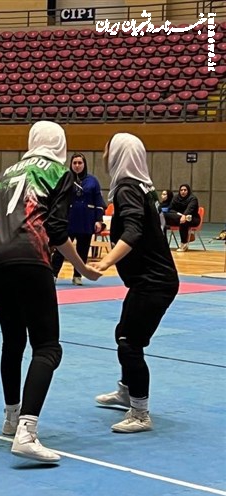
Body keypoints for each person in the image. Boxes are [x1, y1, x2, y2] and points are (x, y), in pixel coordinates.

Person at [0, 121, 100, 463]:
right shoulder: (59, 173)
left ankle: (11, 417)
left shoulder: (5, 173)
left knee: (13, 341)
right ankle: (27, 431)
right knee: (48, 347)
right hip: (31, 257)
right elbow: (56, 230)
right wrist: (82, 267)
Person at [91, 133, 179, 433]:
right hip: (148, 281)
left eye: (107, 150)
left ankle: (140, 413)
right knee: (123, 334)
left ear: (119, 155)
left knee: (130, 343)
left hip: (154, 282)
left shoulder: (128, 188)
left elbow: (133, 231)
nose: (104, 155)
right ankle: (127, 390)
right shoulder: (142, 187)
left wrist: (105, 262)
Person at [50, 153, 105, 286]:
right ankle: (53, 274)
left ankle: (77, 276)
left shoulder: (93, 181)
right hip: (68, 220)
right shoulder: (65, 179)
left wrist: (99, 220)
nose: (77, 165)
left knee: (83, 250)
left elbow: (98, 201)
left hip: (86, 221)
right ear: (71, 164)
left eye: (80, 163)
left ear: (84, 164)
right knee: (60, 249)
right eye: (74, 163)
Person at [164, 183, 200, 252]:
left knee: (184, 222)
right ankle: (162, 244)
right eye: (181, 190)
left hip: (192, 218)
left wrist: (184, 215)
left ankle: (184, 244)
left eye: (185, 190)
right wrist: (179, 215)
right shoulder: (176, 198)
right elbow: (171, 209)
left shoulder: (193, 199)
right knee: (163, 216)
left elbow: (190, 209)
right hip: (178, 217)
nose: (183, 192)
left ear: (188, 191)